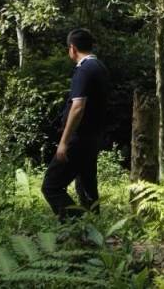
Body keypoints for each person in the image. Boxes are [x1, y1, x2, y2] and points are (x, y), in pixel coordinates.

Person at [42, 28, 109, 220]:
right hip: (94, 136)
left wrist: (64, 142)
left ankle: (77, 225)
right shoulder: (100, 67)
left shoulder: (84, 69)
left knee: (51, 186)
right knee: (87, 185)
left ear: (72, 48)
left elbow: (78, 107)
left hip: (78, 139)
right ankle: (93, 230)